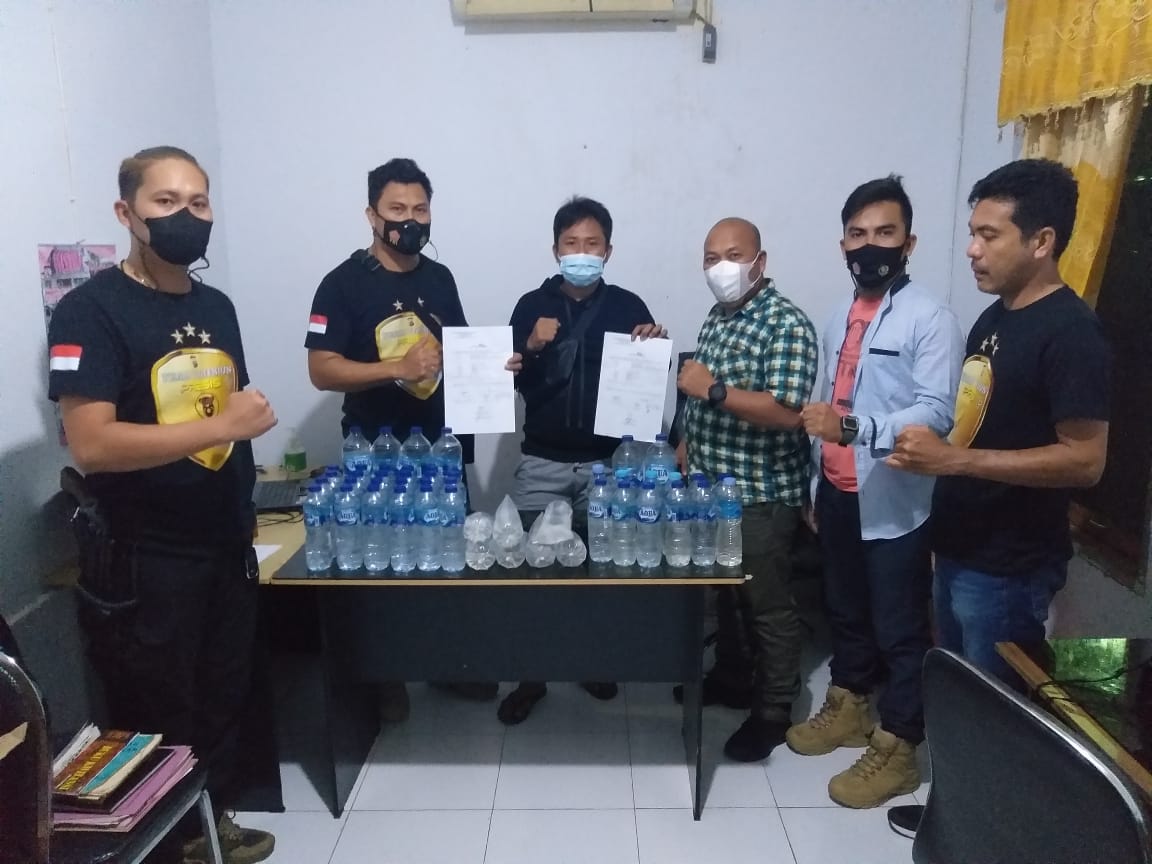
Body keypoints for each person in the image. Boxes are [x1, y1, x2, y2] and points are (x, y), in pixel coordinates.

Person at [48, 146, 277, 864]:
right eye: (167, 202)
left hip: (224, 542)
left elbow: (227, 415)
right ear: (127, 213)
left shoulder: (215, 307)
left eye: (198, 202)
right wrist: (222, 428)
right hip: (148, 557)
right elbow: (91, 444)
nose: (187, 216)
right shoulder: (89, 310)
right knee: (158, 712)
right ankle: (168, 844)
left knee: (222, 695)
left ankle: (212, 827)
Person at [885, 158, 1110, 838]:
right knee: (960, 704)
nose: (972, 250)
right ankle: (957, 821)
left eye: (989, 235)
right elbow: (980, 423)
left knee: (999, 717)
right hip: (961, 546)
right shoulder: (995, 318)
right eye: (972, 233)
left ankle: (995, 839)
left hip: (1010, 566)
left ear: (1041, 241)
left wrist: (955, 460)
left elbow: (1086, 460)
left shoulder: (1071, 333)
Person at [305, 158, 520, 720]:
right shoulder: (342, 283)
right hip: (376, 455)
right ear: (371, 215)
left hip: (440, 448)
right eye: (396, 209)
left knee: (449, 559)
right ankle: (386, 674)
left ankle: (449, 665)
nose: (410, 220)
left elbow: (458, 350)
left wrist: (495, 366)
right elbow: (322, 370)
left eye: (420, 209)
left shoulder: (439, 278)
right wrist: (395, 368)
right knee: (383, 565)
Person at [787, 176, 964, 809]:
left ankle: (899, 747)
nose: (870, 245)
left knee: (899, 627)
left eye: (885, 233)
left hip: (895, 501)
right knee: (845, 610)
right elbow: (827, 402)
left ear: (908, 243)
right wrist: (816, 480)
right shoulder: (838, 313)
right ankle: (850, 706)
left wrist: (856, 429)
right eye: (858, 234)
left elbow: (937, 412)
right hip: (838, 491)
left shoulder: (930, 318)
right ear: (843, 244)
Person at [498, 196, 667, 725]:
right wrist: (532, 343)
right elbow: (511, 381)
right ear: (555, 250)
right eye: (571, 243)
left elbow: (644, 385)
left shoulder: (628, 306)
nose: (581, 252)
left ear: (608, 251)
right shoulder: (530, 305)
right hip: (541, 462)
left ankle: (594, 663)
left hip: (607, 466)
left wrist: (653, 345)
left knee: (601, 572)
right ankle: (531, 677)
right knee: (532, 575)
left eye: (592, 244)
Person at [675, 217, 819, 762]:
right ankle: (733, 677)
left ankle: (773, 710)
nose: (722, 268)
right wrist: (687, 441)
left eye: (733, 255)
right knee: (727, 594)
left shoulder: (786, 324)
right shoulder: (719, 316)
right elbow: (700, 399)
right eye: (711, 258)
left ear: (760, 262)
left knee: (767, 605)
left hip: (760, 492)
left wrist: (712, 389)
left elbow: (786, 412)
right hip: (710, 485)